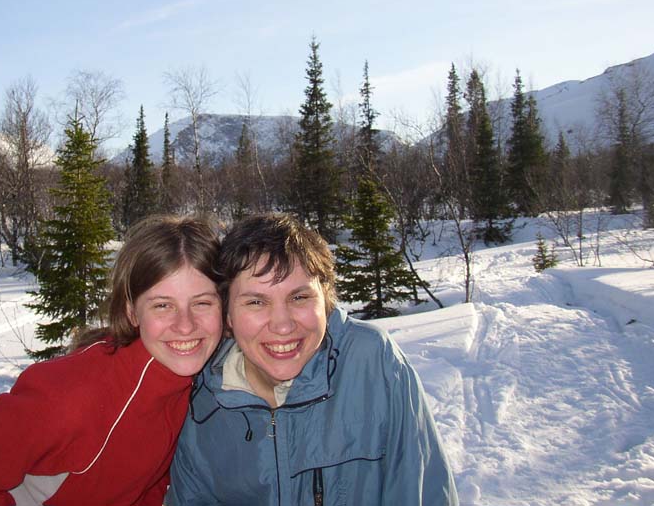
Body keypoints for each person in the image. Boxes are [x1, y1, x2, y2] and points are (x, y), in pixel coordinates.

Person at [167, 213, 458, 505]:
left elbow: (421, 491)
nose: (282, 325)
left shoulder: (372, 364)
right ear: (228, 316)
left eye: (299, 298)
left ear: (326, 301)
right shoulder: (204, 399)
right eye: (256, 302)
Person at [0, 215, 223, 506]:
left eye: (202, 303)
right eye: (162, 305)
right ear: (131, 312)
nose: (185, 325)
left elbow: (149, 483)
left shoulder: (190, 384)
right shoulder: (72, 396)